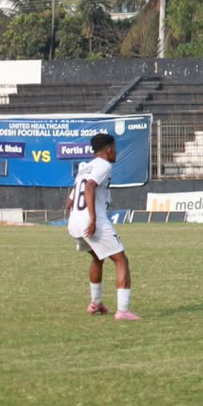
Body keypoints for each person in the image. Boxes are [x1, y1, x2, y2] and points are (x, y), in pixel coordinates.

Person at [68, 132, 139, 320]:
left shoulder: (85, 167)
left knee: (98, 258)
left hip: (74, 222)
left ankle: (96, 302)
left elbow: (70, 200)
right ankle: (123, 311)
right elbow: (90, 187)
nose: (116, 152)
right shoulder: (104, 165)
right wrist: (93, 219)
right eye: (115, 148)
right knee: (121, 259)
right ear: (109, 149)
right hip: (92, 221)